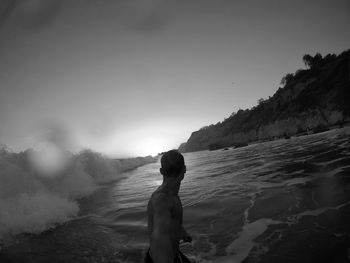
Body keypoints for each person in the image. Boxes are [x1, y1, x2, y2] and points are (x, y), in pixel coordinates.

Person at [145, 150, 192, 263]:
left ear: (161, 171)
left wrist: (181, 230)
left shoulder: (169, 195)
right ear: (184, 169)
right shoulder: (163, 199)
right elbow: (159, 240)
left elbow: (167, 221)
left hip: (171, 255)